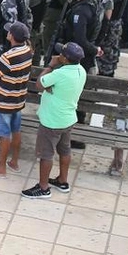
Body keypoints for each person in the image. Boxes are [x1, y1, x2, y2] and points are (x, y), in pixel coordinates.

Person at [22, 42, 87, 199]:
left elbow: (39, 84)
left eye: (61, 54)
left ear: (65, 59)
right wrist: (51, 86)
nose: (58, 56)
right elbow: (52, 86)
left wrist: (50, 66)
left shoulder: (59, 73)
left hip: (52, 121)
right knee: (64, 150)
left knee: (46, 154)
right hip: (68, 119)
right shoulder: (81, 71)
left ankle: (43, 188)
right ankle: (62, 181)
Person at [0, 22, 34, 177]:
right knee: (16, 130)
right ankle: (14, 162)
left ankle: (1, 168)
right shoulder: (28, 51)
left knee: (4, 134)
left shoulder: (8, 56)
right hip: (18, 100)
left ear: (12, 36)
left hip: (5, 101)